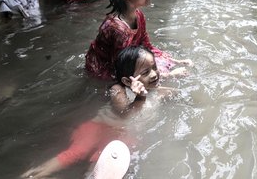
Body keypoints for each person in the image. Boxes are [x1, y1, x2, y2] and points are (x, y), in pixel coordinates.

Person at [22, 46, 177, 179]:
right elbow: (123, 112)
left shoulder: (158, 91)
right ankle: (33, 175)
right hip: (99, 127)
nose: (154, 74)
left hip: (123, 135)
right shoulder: (118, 90)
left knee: (103, 167)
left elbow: (173, 93)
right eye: (146, 72)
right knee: (75, 153)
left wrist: (177, 75)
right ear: (128, 81)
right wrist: (140, 98)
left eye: (154, 67)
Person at [85, 0, 192, 80]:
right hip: (105, 68)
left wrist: (174, 61)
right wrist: (169, 76)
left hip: (129, 58)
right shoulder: (117, 29)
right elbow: (122, 71)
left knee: (160, 62)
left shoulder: (138, 15)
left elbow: (145, 44)